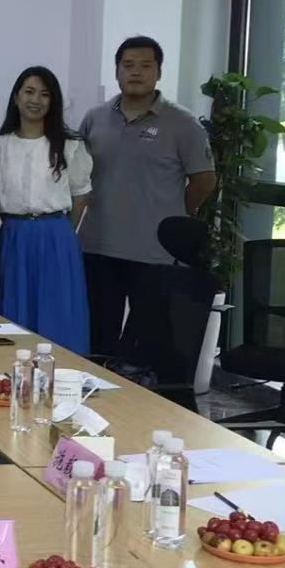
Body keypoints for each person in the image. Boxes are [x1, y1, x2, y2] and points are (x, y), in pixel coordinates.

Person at [78, 35, 217, 355]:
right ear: (117, 71)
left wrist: (176, 214)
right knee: (98, 341)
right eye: (128, 65)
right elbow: (78, 177)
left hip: (154, 254)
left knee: (147, 347)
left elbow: (204, 180)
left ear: (158, 72)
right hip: (98, 247)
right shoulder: (94, 118)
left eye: (145, 65)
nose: (136, 72)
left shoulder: (183, 123)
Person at [0, 67, 92, 354]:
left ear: (53, 101)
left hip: (57, 236)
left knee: (58, 312)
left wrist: (62, 232)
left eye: (44, 94)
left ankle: (63, 373)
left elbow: (81, 195)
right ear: (16, 97)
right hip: (13, 235)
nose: (35, 100)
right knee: (15, 313)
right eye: (29, 92)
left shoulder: (70, 146)